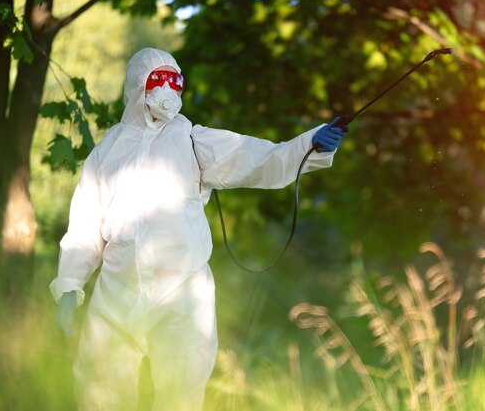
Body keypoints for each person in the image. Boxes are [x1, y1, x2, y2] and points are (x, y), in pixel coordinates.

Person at [49, 47, 345, 411]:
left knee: (181, 395)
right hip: (117, 290)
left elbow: (254, 157)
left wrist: (308, 146)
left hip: (182, 291)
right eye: (160, 80)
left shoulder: (192, 139)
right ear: (138, 85)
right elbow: (85, 224)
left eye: (176, 81)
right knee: (99, 391)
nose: (169, 90)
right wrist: (70, 283)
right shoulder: (108, 151)